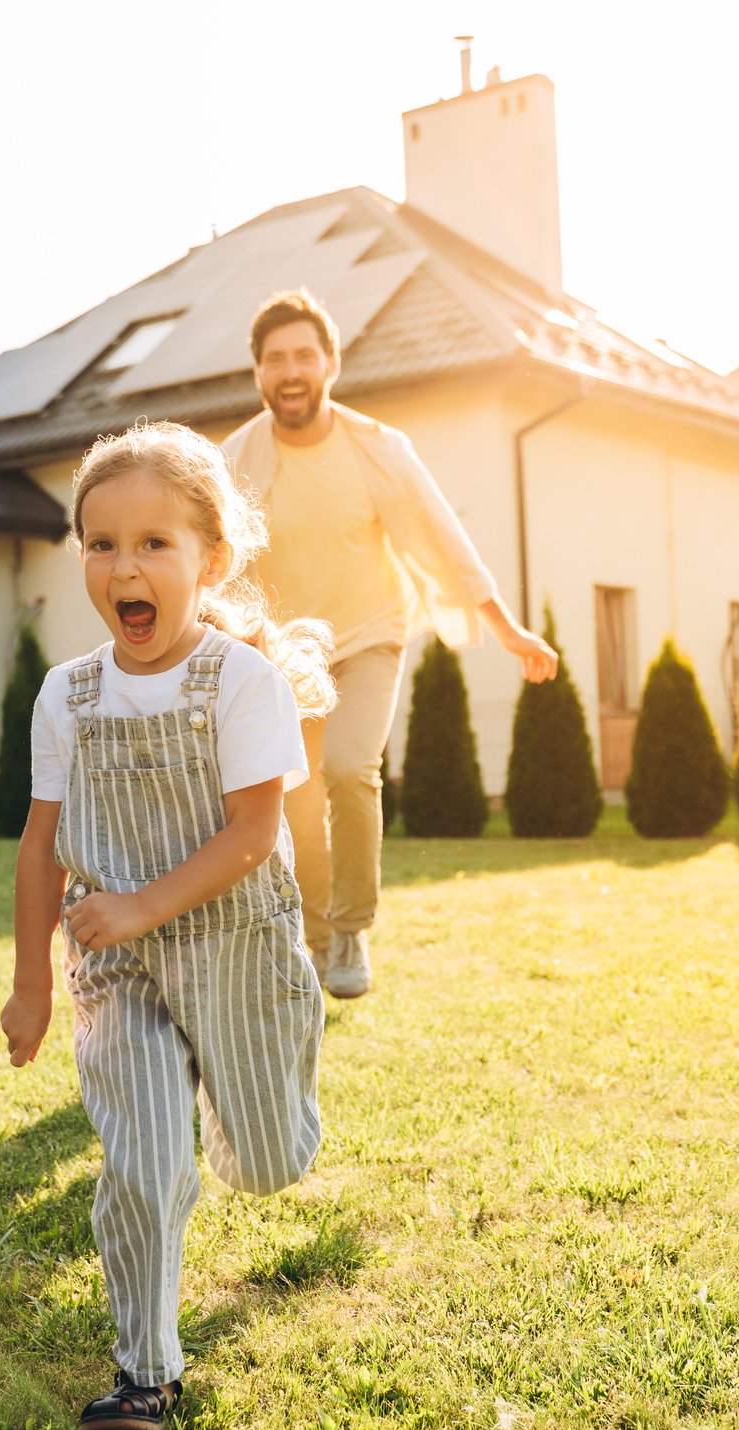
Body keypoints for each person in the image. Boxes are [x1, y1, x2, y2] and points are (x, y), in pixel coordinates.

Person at [0, 420, 336, 1430]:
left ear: (212, 560)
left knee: (267, 1161)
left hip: (238, 946)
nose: (124, 566)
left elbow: (252, 834)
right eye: (101, 543)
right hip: (119, 966)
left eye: (153, 543)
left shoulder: (240, 681)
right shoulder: (69, 694)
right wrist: (33, 984)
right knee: (146, 1161)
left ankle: (248, 1107)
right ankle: (145, 1373)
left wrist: (146, 901)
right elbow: (38, 846)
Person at [223, 290, 557, 999]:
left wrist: (507, 629)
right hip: (286, 656)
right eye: (275, 358)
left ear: (331, 364)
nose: (290, 370)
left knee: (349, 768)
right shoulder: (235, 460)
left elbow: (445, 539)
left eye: (304, 356)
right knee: (298, 795)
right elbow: (207, 558)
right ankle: (313, 943)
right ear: (256, 373)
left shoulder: (377, 448)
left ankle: (351, 930)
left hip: (369, 637)